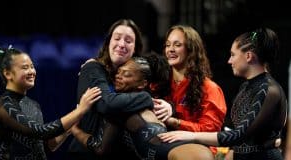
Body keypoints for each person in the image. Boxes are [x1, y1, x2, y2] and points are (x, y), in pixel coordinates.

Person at [159, 27, 288, 160]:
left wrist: (190, 135)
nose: (229, 61)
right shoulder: (246, 86)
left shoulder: (268, 90)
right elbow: (235, 134)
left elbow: (238, 135)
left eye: (233, 55)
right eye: (167, 45)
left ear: (248, 56)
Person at [71, 52, 214, 160]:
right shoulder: (152, 102)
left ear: (142, 84)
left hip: (182, 153)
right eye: (118, 72)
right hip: (194, 151)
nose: (118, 76)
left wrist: (75, 130)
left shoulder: (122, 105)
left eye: (125, 74)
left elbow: (100, 148)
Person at [67, 19, 173, 160]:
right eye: (117, 38)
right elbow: (107, 104)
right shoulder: (93, 68)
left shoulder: (138, 74)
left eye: (128, 41)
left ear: (135, 48)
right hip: (86, 154)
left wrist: (169, 107)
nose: (121, 44)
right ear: (108, 42)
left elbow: (159, 95)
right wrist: (146, 98)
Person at [0, 46, 102, 160]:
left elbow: (45, 146)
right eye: (25, 67)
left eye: (32, 66)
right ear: (8, 74)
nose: (31, 71)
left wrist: (71, 126)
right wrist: (78, 112)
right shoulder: (4, 106)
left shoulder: (33, 104)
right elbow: (40, 131)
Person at [152, 25, 227, 155]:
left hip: (199, 149)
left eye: (177, 45)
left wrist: (174, 122)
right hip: (163, 145)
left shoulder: (210, 88)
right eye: (168, 45)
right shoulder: (158, 83)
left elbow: (210, 131)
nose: (170, 50)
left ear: (191, 50)